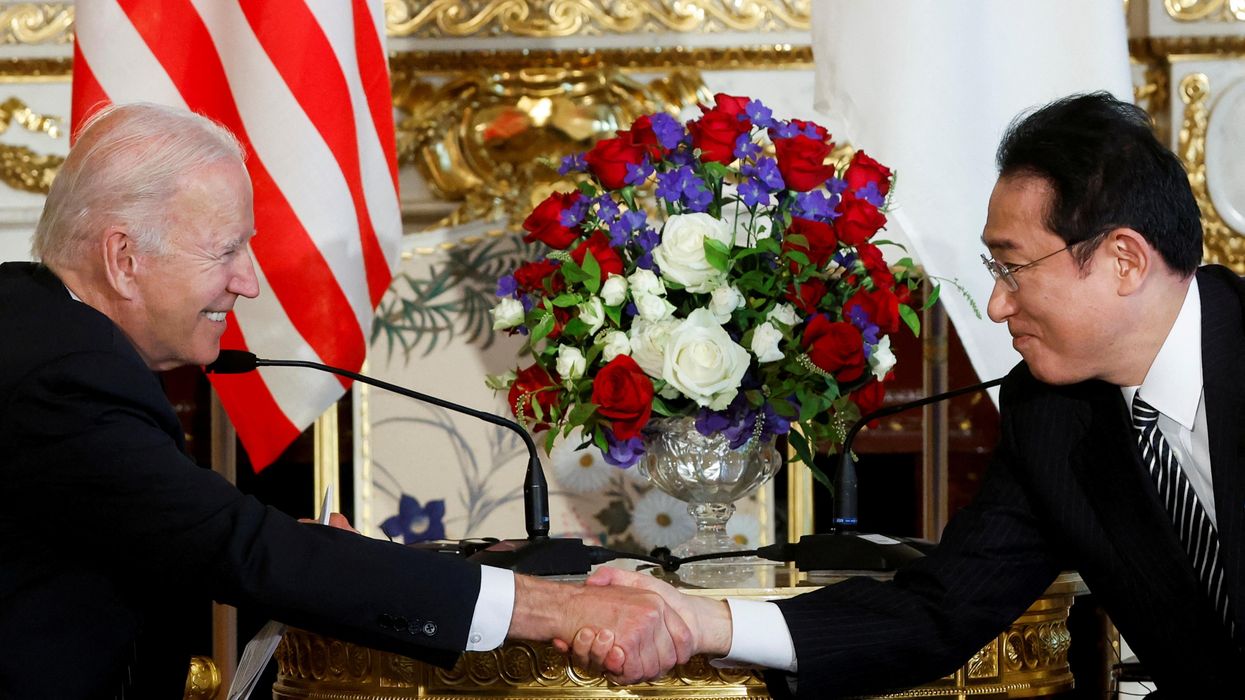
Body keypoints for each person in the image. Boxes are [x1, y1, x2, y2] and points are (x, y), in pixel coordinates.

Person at [0, 103, 693, 699]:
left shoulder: (36, 329)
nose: (248, 283)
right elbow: (236, 550)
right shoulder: (67, 375)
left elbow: (166, 531)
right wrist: (556, 610)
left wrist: (315, 553)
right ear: (123, 259)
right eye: (226, 251)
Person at [574, 91, 1245, 697]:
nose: (994, 303)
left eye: (1012, 268)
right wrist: (703, 624)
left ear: (1122, 261)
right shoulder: (1050, 416)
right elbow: (938, 610)